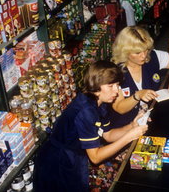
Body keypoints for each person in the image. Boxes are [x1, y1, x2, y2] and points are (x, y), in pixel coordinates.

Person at [33, 60, 148, 192]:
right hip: (57, 163)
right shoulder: (86, 111)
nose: (117, 91)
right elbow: (95, 157)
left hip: (73, 156)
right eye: (111, 86)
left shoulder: (100, 101)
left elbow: (109, 135)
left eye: (117, 85)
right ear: (96, 85)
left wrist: (132, 126)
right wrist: (128, 137)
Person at [109, 26, 169, 128]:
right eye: (137, 52)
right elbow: (119, 107)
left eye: (145, 50)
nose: (143, 56)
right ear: (125, 51)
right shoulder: (114, 72)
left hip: (151, 117)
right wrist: (137, 96)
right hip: (126, 127)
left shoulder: (152, 56)